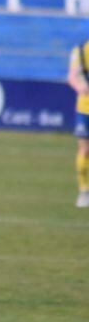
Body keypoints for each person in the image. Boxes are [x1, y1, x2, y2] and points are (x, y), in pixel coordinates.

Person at [66, 38, 89, 208]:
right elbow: (72, 77)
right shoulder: (81, 51)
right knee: (85, 149)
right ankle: (84, 190)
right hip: (85, 108)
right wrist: (80, 87)